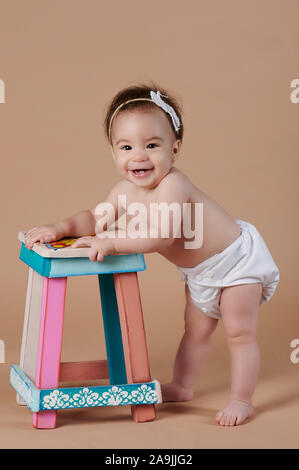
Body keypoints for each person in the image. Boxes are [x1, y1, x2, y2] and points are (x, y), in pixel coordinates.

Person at [24, 81, 279, 426]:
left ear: (174, 150)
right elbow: (93, 219)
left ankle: (241, 399)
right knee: (195, 331)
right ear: (113, 153)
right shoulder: (124, 191)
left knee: (238, 332)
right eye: (127, 146)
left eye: (152, 145)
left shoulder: (174, 184)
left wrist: (111, 243)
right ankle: (183, 385)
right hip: (200, 272)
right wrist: (59, 228)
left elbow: (161, 236)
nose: (139, 156)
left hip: (235, 262)